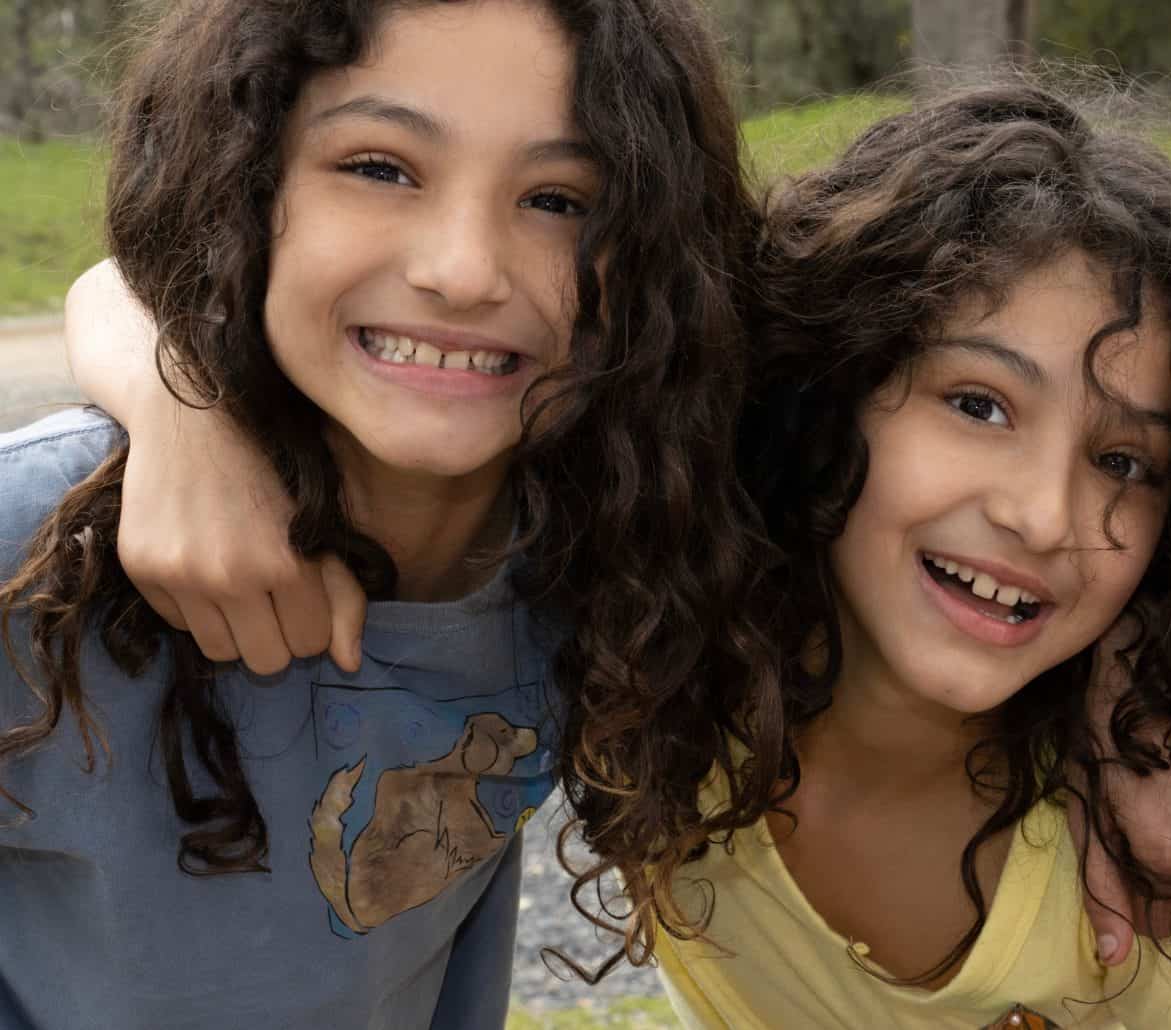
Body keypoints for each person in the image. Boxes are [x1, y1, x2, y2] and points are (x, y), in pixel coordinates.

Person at [0, 0, 772, 1025]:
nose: (462, 269)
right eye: (379, 168)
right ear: (243, 179)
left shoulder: (609, 555)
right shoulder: (36, 544)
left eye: (558, 197)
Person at [646, 84, 1171, 1028]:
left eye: (1124, 461)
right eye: (978, 405)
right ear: (824, 383)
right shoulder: (645, 677)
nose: (1047, 517)